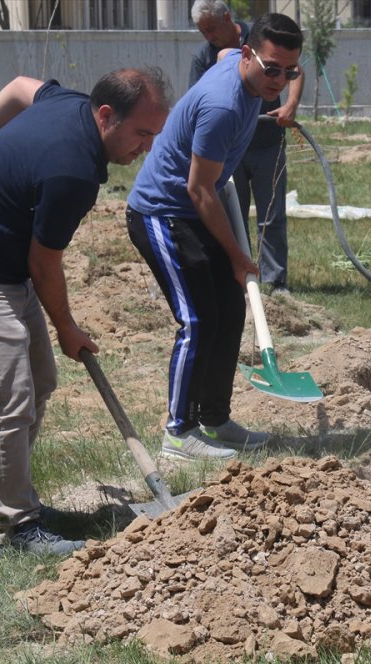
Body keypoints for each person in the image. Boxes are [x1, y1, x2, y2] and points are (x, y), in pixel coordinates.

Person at [0, 68, 172, 556]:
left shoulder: (66, 103)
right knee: (11, 396)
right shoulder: (72, 170)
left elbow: (14, 85)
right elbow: (44, 263)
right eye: (142, 133)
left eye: (154, 134)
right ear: (105, 115)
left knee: (39, 378)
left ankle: (1, 492)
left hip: (0, 269)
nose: (146, 147)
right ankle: (18, 530)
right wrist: (67, 327)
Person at [126, 14, 304, 461]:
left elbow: (223, 53)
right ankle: (177, 433)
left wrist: (233, 262)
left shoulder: (236, 61)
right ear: (250, 55)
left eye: (289, 72)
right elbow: (199, 189)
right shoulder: (223, 106)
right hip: (162, 212)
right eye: (271, 68)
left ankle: (215, 418)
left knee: (228, 310)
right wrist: (238, 255)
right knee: (197, 321)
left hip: (193, 208)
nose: (278, 81)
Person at [189, 0, 304, 295]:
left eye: (212, 29)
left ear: (228, 17)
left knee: (271, 213)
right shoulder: (204, 57)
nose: (208, 37)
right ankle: (237, 278)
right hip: (229, 152)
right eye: (203, 31)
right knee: (231, 216)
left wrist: (290, 105)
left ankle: (276, 281)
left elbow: (296, 69)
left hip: (267, 142)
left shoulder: (262, 39)